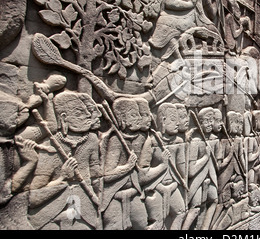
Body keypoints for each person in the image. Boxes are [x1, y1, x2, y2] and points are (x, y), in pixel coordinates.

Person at [28, 91, 102, 230]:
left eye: (87, 112)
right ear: (64, 118)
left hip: (86, 206)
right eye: (79, 113)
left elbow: (96, 175)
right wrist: (62, 177)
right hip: (53, 212)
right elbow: (33, 198)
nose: (87, 116)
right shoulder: (50, 145)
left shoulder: (91, 140)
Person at [139, 103, 187, 230]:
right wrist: (162, 165)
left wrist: (176, 185)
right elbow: (142, 176)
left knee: (180, 212)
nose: (177, 123)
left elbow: (182, 171)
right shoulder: (152, 141)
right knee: (157, 223)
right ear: (163, 120)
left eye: (178, 119)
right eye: (173, 119)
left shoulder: (178, 142)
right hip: (155, 188)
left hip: (173, 186)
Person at [101, 98, 147, 230]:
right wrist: (127, 167)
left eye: (138, 114)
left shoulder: (141, 138)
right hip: (115, 194)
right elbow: (107, 175)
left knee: (142, 224)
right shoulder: (116, 140)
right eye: (133, 115)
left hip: (135, 191)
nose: (138, 118)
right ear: (122, 119)